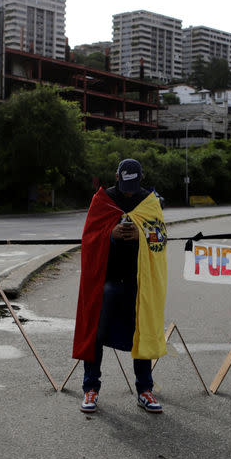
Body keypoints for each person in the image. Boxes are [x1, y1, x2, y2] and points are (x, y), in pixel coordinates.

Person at [72, 159, 168, 414]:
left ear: (141, 179)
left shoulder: (149, 201)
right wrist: (110, 235)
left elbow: (160, 239)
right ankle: (90, 389)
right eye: (125, 185)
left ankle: (144, 390)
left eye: (133, 186)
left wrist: (141, 235)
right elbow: (89, 238)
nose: (129, 191)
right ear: (116, 177)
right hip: (107, 280)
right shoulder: (102, 200)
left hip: (139, 281)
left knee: (143, 330)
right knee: (96, 333)